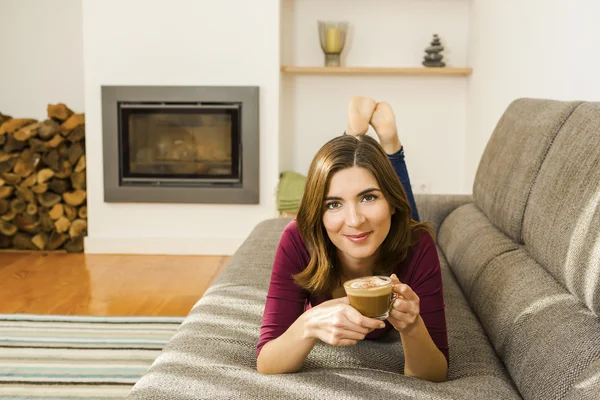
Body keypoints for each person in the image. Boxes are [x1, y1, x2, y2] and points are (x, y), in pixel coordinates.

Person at [256, 97, 448, 382]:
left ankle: (389, 145)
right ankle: (365, 141)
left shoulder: (418, 243)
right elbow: (267, 362)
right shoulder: (298, 238)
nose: (355, 219)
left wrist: (412, 327)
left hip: (398, 233)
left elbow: (434, 374)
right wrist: (308, 324)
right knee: (373, 209)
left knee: (405, 222)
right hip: (379, 227)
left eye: (368, 197)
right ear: (317, 214)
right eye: (333, 204)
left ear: (389, 202)